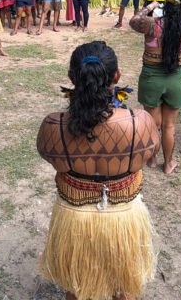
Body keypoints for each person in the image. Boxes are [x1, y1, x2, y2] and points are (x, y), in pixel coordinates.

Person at [37, 41, 159, 300]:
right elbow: (149, 156)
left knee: (77, 287)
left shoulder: (53, 126)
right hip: (124, 217)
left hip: (73, 218)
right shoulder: (140, 122)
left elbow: (54, 160)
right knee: (125, 289)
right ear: (117, 76)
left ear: (72, 77)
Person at [130, 0, 181, 174]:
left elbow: (133, 21)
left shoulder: (152, 24)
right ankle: (168, 164)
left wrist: (150, 6)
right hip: (175, 78)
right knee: (169, 126)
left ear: (166, 5)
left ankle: (152, 159)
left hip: (151, 78)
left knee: (153, 125)